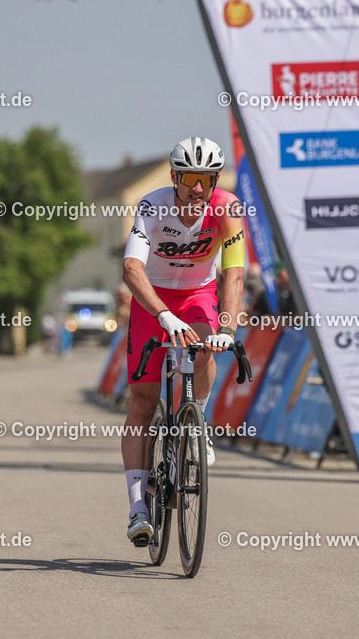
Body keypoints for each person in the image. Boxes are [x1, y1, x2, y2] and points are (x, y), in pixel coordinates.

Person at [121, 136, 245, 546]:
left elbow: (234, 273)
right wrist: (162, 314)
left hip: (197, 295)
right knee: (142, 401)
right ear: (175, 176)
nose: (198, 188)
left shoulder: (227, 209)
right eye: (191, 177)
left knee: (208, 345)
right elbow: (132, 269)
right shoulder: (153, 205)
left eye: (207, 179)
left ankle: (197, 423)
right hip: (152, 297)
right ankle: (138, 507)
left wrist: (227, 328)